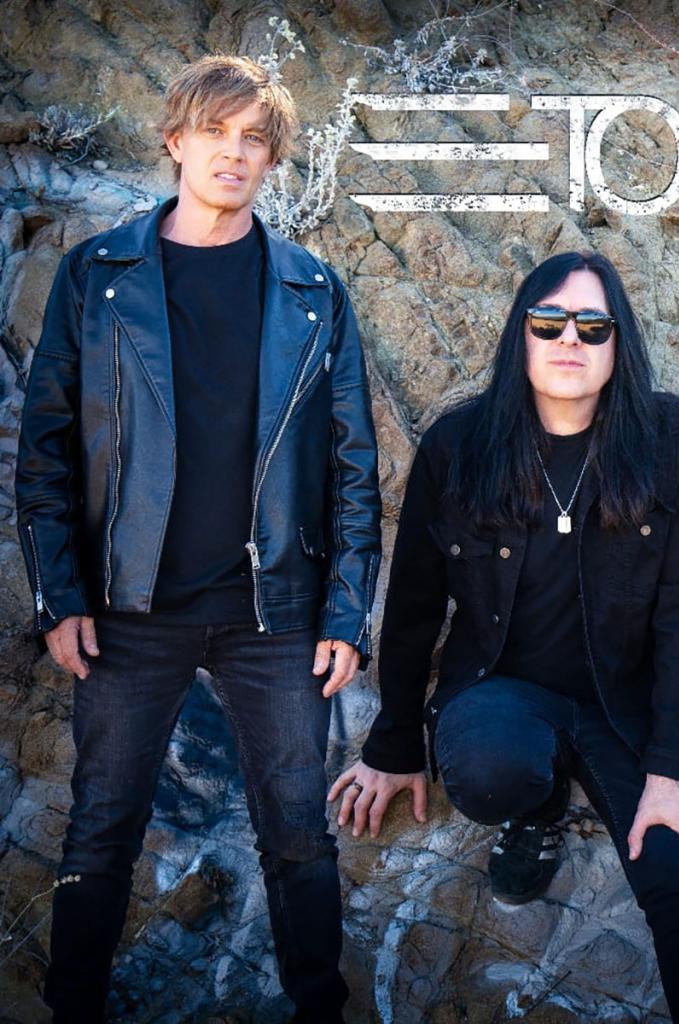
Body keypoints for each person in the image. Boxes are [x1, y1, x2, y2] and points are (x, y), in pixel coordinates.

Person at [16, 55, 380, 1022]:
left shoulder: (310, 289)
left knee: (301, 835)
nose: (234, 153)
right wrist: (62, 596)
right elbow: (46, 449)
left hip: (276, 614)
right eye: (215, 133)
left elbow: (354, 463)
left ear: (271, 160)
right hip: (129, 610)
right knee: (99, 831)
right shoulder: (99, 277)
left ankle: (319, 1009)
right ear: (176, 142)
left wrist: (346, 609)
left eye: (253, 139)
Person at [330, 251, 679, 1023]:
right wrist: (393, 746)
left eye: (594, 326)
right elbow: (416, 602)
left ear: (619, 346)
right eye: (548, 322)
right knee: (490, 772)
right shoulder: (460, 448)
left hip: (624, 710)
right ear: (521, 336)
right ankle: (540, 803)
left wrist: (672, 771)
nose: (570, 341)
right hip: (501, 699)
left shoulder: (662, 441)